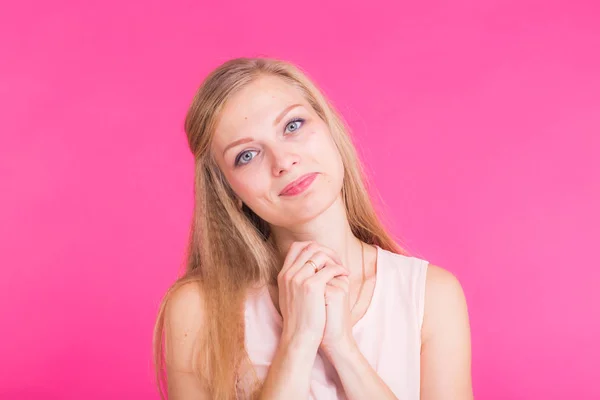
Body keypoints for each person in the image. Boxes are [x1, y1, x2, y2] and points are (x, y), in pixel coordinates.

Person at [153, 57, 473, 400]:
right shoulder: (199, 308)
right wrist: (297, 340)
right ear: (230, 192)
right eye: (247, 155)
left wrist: (342, 348)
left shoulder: (430, 296)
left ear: (330, 129)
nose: (284, 161)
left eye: (292, 126)